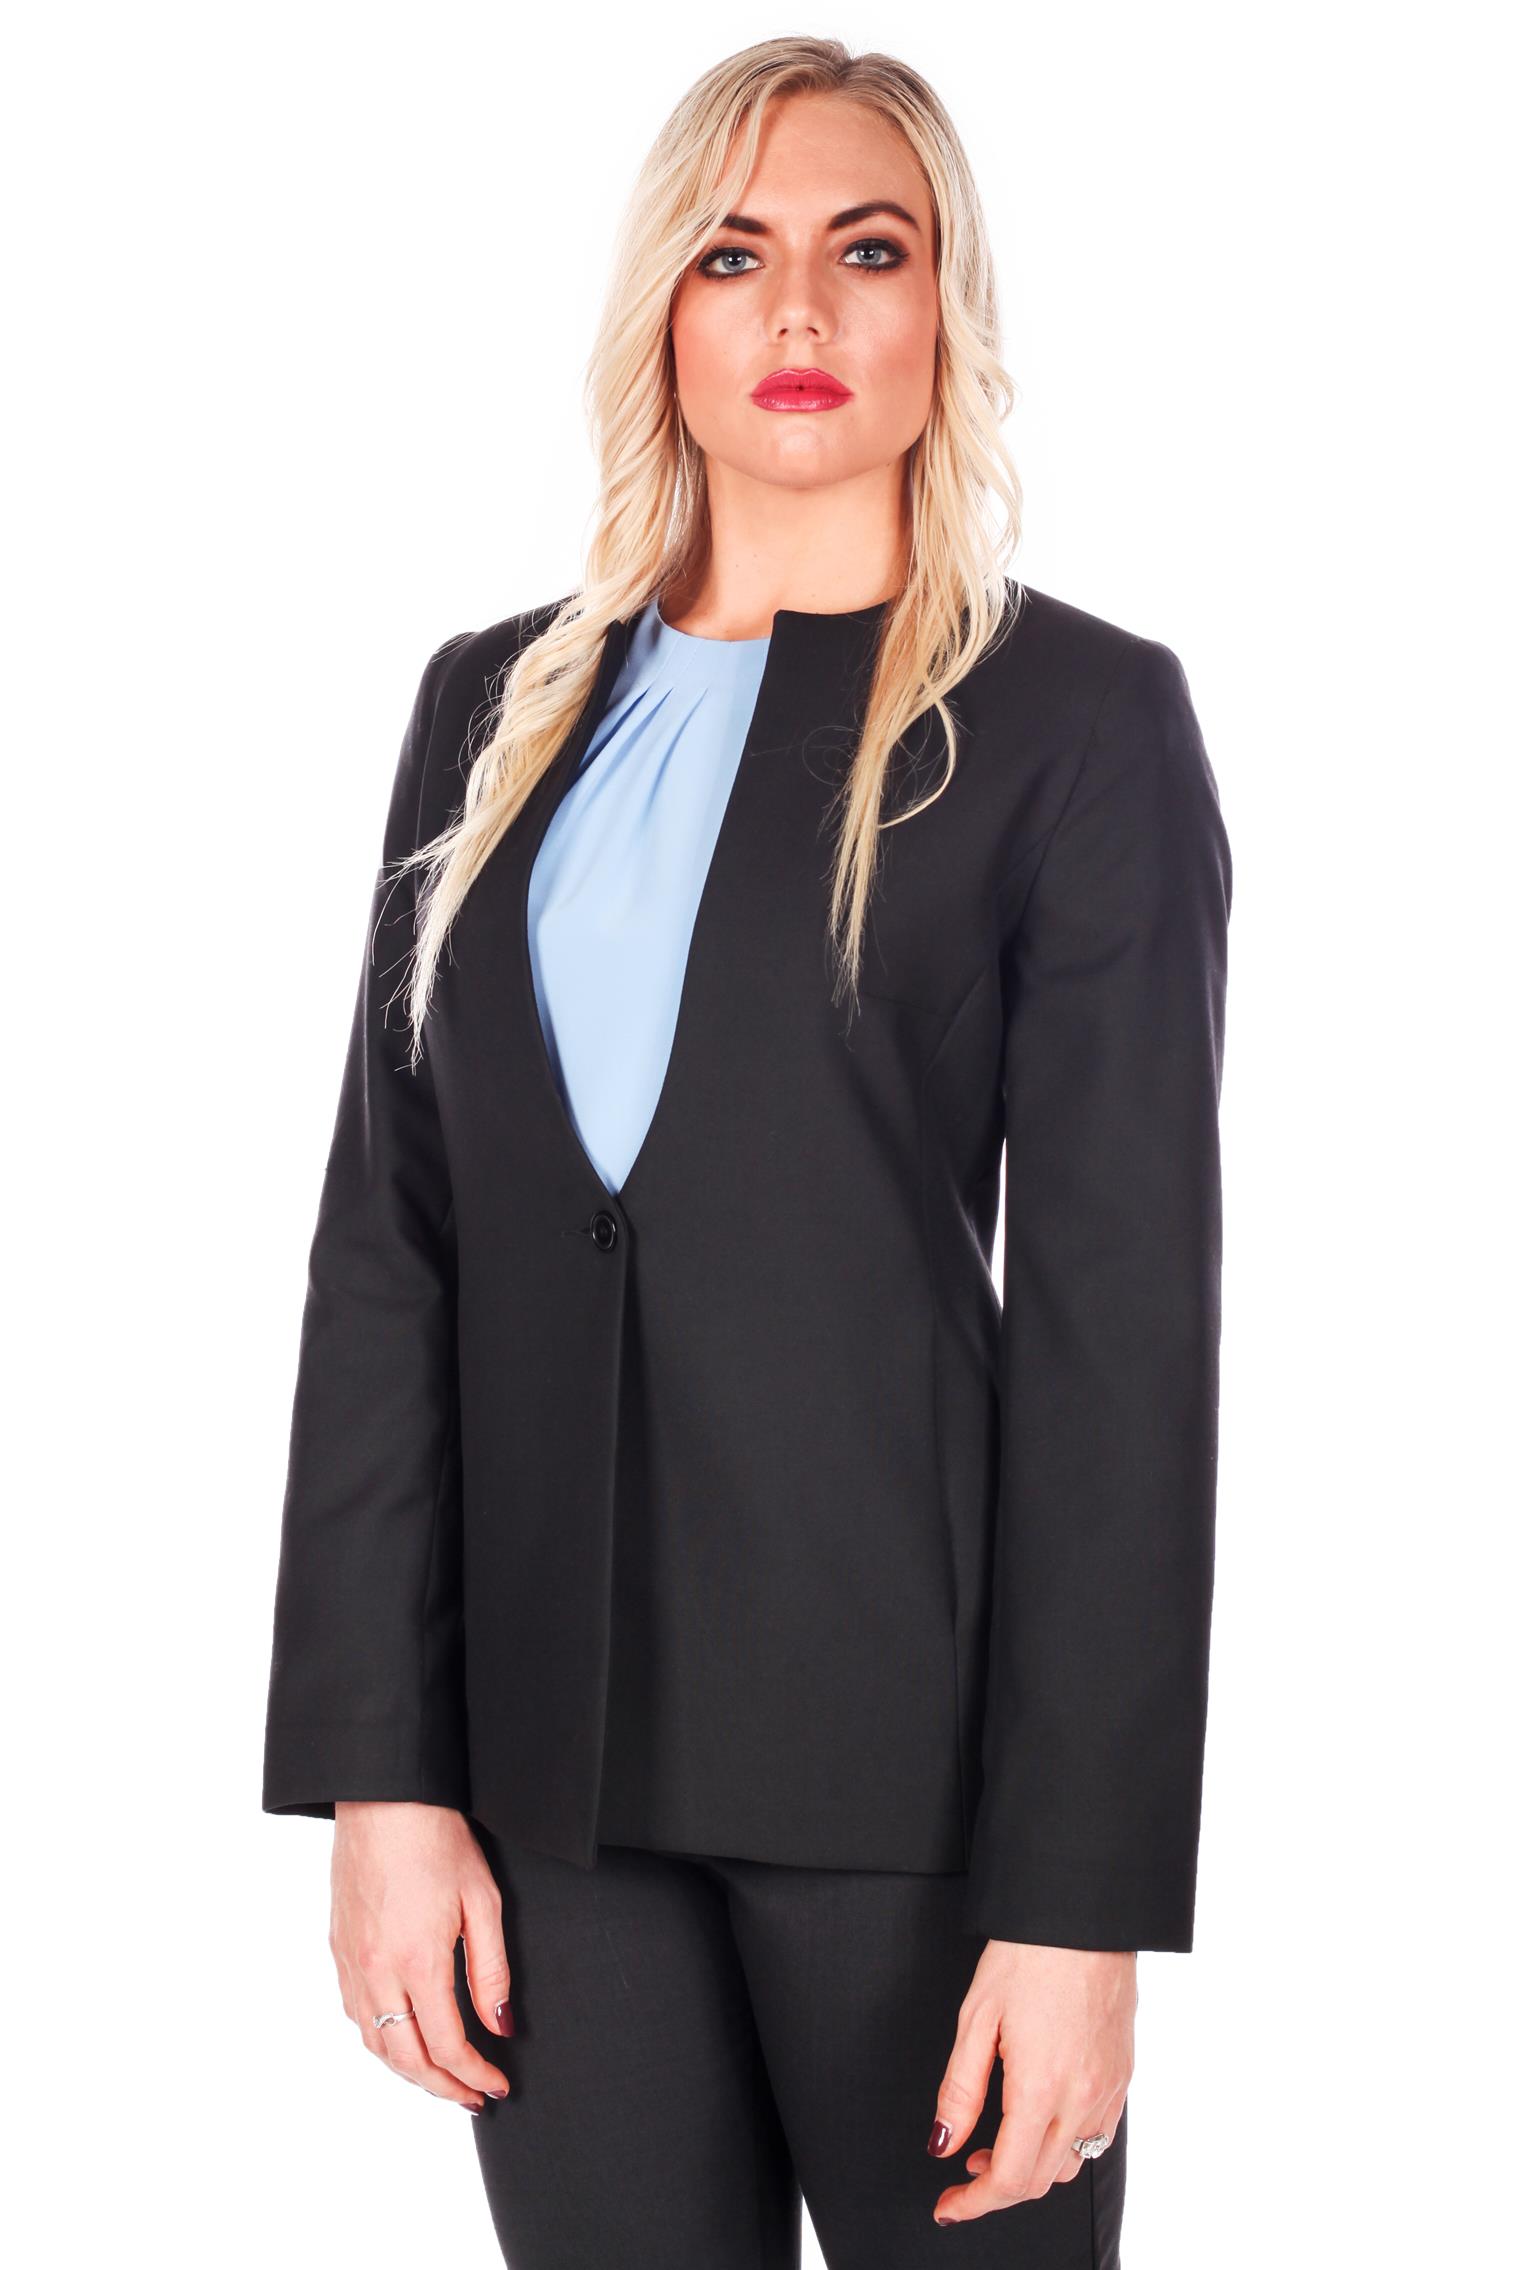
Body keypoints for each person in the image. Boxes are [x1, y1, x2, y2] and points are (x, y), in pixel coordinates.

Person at [261, 36, 1233, 2270]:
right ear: (664, 316)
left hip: (915, 1801)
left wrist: (1078, 1905)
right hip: (548, 1803)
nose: (797, 308)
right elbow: (390, 1253)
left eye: (863, 251)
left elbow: (1121, 1346)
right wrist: (383, 1775)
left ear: (942, 306)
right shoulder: (488, 707)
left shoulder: (1075, 724)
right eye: (732, 253)